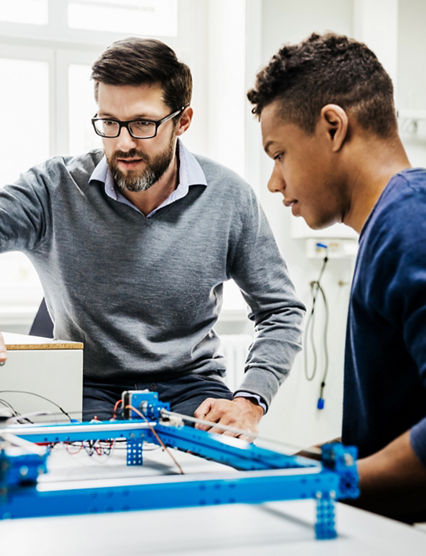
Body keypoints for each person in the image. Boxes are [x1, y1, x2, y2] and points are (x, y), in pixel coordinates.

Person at [0, 38, 305, 436]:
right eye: (109, 123)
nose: (123, 142)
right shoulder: (52, 188)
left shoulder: (230, 197)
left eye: (143, 124)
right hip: (86, 388)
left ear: (183, 121)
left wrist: (250, 400)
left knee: (216, 485)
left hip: (192, 388)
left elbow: (280, 311)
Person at [247, 32, 426, 522]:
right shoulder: (391, 225)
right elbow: (389, 432)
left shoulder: (408, 223)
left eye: (278, 153)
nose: (274, 181)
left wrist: (322, 483)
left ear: (332, 127)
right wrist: (288, 466)